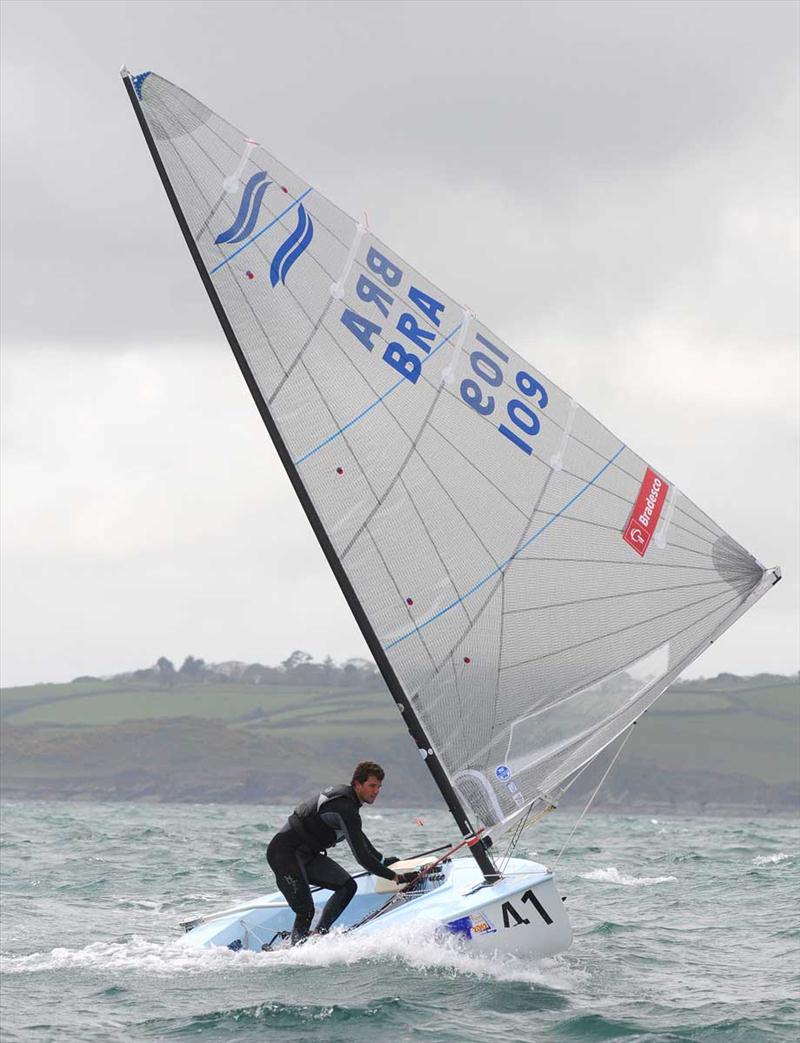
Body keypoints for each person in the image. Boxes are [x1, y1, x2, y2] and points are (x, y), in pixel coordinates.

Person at [266, 760, 415, 944]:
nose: (376, 791)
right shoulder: (344, 807)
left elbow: (360, 839)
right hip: (284, 853)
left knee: (347, 887)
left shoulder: (350, 805)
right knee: (306, 911)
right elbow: (362, 857)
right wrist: (396, 878)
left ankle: (318, 936)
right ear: (357, 784)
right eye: (372, 785)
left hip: (306, 855)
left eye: (379, 787)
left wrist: (384, 861)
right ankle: (295, 952)